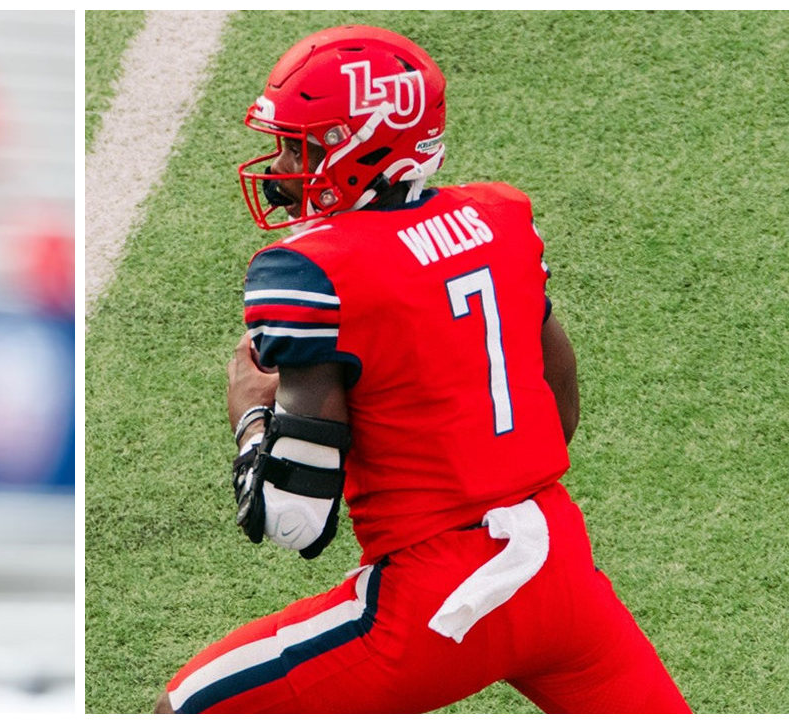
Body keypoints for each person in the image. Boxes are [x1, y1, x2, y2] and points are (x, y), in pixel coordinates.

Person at [157, 26, 690, 714]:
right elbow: (560, 410)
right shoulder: (502, 219)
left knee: (192, 703)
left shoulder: (311, 270)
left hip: (438, 602)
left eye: (301, 143)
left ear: (361, 143)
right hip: (560, 568)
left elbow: (294, 521)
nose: (283, 163)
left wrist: (251, 414)